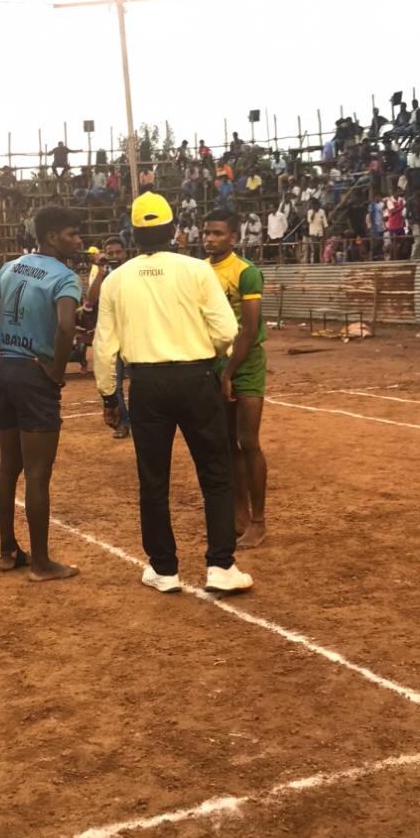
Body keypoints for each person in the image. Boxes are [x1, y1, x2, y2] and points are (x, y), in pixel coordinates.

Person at [93, 192, 252, 595]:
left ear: (133, 234)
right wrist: (211, 363)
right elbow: (226, 332)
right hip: (197, 378)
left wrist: (110, 397)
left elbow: (104, 346)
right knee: (215, 473)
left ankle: (164, 570)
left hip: (146, 385)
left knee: (153, 480)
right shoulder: (197, 271)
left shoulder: (115, 279)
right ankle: (221, 566)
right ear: (172, 230)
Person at [0, 206, 81, 581]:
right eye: (71, 234)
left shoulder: (13, 267)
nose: (77, 240)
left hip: (4, 372)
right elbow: (66, 326)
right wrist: (58, 371)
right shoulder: (65, 277)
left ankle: (8, 550)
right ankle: (42, 564)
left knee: (8, 467)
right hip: (34, 374)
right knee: (38, 474)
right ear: (50, 237)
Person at [202, 208, 268, 550]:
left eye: (217, 233)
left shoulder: (246, 272)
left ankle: (258, 522)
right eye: (206, 233)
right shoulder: (198, 271)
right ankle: (238, 516)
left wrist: (228, 373)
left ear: (233, 237)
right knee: (227, 444)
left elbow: (250, 328)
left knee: (248, 441)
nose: (210, 239)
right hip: (214, 362)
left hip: (246, 362)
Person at [86, 236, 132, 439]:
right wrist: (102, 271)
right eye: (110, 253)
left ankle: (141, 421)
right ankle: (124, 423)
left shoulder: (133, 271)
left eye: (117, 252)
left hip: (133, 335)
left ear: (125, 253)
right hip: (111, 337)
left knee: (140, 381)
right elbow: (90, 300)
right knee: (115, 385)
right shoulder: (100, 273)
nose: (114, 256)